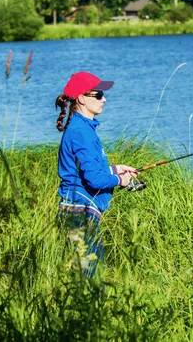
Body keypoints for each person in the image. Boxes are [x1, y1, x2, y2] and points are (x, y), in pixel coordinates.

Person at [55, 71, 138, 277]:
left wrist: (115, 169)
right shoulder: (81, 132)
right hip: (80, 214)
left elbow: (84, 172)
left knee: (87, 277)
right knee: (92, 279)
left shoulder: (82, 128)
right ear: (82, 99)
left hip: (79, 212)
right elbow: (94, 179)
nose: (104, 99)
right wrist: (121, 180)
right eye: (98, 94)